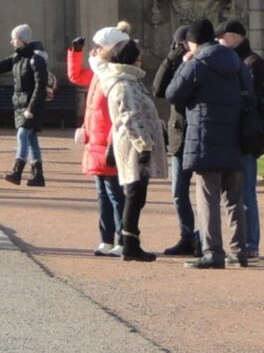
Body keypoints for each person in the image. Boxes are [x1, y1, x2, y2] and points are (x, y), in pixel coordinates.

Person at [165, 15, 254, 269]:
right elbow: (249, 96)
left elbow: (173, 94)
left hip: (205, 138)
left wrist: (184, 65)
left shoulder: (196, 63)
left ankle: (213, 250)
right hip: (235, 137)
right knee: (234, 199)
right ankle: (239, 251)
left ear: (193, 42)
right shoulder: (235, 61)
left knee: (207, 198)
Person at [98, 36, 167, 262]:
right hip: (133, 145)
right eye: (138, 59)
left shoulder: (131, 81)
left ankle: (131, 241)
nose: (140, 63)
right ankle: (129, 244)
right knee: (134, 195)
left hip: (138, 142)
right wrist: (143, 144)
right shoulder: (123, 84)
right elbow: (130, 116)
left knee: (137, 195)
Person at [67, 26, 128, 255]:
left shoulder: (113, 74)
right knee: (102, 194)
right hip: (95, 140)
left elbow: (117, 114)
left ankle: (122, 239)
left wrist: (112, 141)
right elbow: (76, 77)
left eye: (98, 47)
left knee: (115, 195)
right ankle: (107, 238)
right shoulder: (99, 72)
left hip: (108, 142)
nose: (94, 51)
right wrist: (75, 53)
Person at [218, 19, 264, 261]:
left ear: (235, 37)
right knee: (232, 193)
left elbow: (254, 104)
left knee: (246, 193)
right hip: (232, 135)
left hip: (246, 137)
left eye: (222, 36)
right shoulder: (233, 62)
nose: (219, 41)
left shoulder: (252, 63)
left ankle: (251, 243)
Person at [152, 24, 198, 257]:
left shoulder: (202, 62)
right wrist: (171, 60)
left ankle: (207, 237)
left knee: (210, 191)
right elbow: (159, 89)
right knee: (179, 192)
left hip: (201, 134)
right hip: (180, 134)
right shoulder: (176, 62)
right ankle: (188, 236)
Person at [0, 24, 47, 186]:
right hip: (20, 104)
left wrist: (32, 108)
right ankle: (38, 175)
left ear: (22, 40)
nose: (12, 41)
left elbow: (41, 86)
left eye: (14, 38)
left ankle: (17, 171)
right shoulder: (17, 58)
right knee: (31, 138)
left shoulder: (36, 59)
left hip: (32, 105)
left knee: (22, 135)